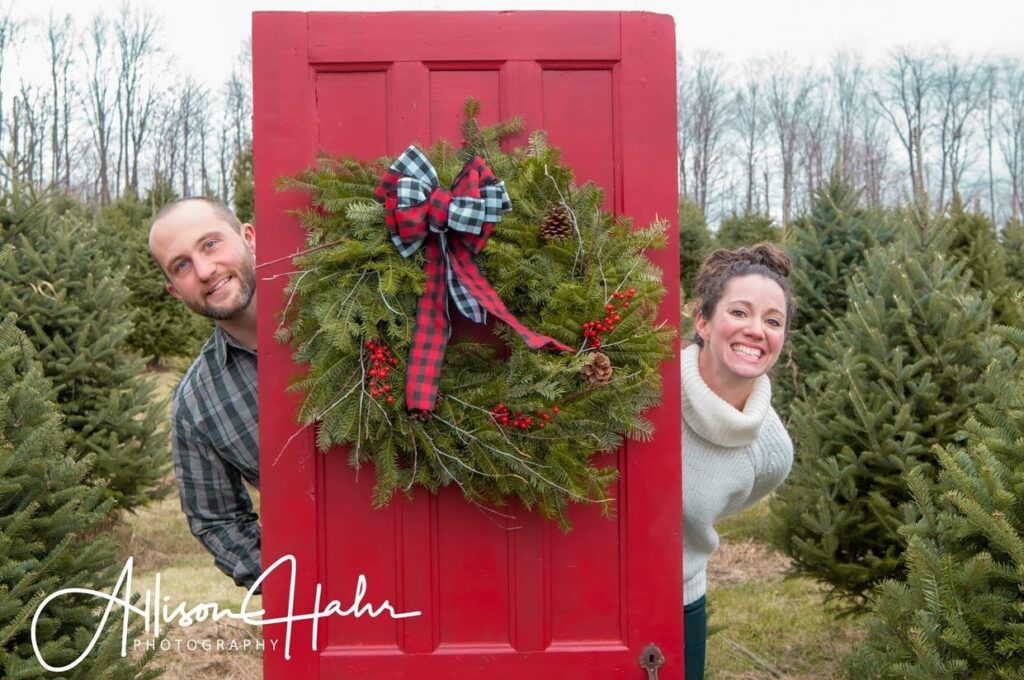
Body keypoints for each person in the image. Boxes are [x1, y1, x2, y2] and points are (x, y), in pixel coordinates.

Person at [682, 243, 795, 679]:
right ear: (703, 322)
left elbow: (723, 503)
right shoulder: (644, 391)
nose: (756, 331)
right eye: (740, 312)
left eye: (773, 321)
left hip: (680, 601)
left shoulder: (772, 451)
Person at [148, 197, 261, 590]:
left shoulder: (349, 310)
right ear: (174, 291)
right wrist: (301, 582)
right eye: (181, 265)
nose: (204, 270)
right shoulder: (196, 405)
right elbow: (217, 521)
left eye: (210, 244)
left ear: (249, 237)